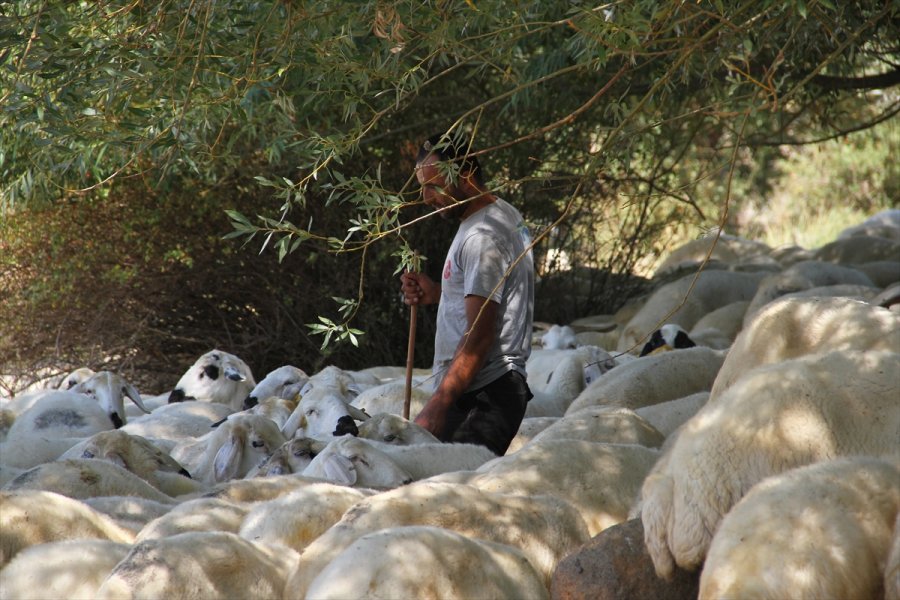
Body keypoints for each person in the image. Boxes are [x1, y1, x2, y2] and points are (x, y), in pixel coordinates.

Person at [400, 132, 535, 456]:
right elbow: (491, 296)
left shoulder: (481, 237)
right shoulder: (501, 213)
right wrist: (438, 293)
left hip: (484, 395)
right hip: (485, 388)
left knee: (445, 494)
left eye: (433, 186)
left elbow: (479, 336)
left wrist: (437, 406)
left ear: (465, 174)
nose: (427, 198)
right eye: (423, 187)